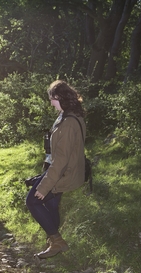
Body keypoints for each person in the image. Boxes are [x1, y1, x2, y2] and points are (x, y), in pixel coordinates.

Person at [26, 80, 86, 259]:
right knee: (52, 205)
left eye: (51, 98)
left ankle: (57, 241)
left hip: (63, 173)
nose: (50, 102)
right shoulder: (70, 115)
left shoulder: (68, 123)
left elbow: (61, 160)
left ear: (59, 97)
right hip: (63, 170)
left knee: (32, 200)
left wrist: (43, 187)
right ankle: (54, 241)